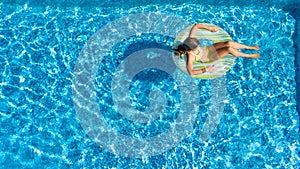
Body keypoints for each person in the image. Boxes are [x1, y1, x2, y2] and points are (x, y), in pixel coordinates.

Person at [172, 23, 260, 76]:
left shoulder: (190, 39)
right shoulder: (190, 55)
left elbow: (196, 26)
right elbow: (191, 72)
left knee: (228, 43)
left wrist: (210, 28)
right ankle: (249, 56)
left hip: (209, 49)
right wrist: (205, 70)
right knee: (229, 49)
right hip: (209, 57)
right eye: (196, 46)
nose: (198, 45)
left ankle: (249, 47)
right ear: (190, 50)